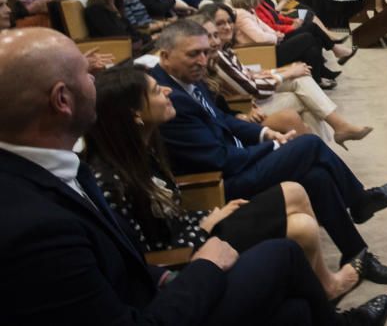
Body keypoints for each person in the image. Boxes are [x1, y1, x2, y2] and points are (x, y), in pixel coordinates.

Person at [0, 27, 387, 325]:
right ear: (62, 100)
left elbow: (129, 256)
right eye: (87, 74)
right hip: (183, 256)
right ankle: (355, 219)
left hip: (176, 255)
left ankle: (352, 254)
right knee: (293, 221)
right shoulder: (36, 223)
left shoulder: (68, 168)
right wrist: (201, 260)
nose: (97, 81)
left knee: (294, 305)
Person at [151, 20, 387, 285]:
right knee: (308, 145)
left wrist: (265, 134)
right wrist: (272, 147)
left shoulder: (188, 78)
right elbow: (219, 159)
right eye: (193, 53)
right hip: (218, 184)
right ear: (166, 55)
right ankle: (359, 200)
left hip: (237, 158)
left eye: (205, 52)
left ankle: (357, 255)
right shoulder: (169, 98)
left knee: (317, 175)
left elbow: (224, 120)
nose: (203, 60)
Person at [84, 66, 360, 302]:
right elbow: (147, 258)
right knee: (302, 215)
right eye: (157, 91)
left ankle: (325, 286)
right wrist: (203, 226)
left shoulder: (144, 148)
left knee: (301, 189)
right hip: (189, 253)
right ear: (135, 114)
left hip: (197, 226)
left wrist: (206, 216)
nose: (167, 92)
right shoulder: (110, 180)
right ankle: (327, 283)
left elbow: (171, 210)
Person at [204, 2, 372, 149]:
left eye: (228, 22)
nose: (227, 27)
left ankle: (326, 142)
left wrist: (281, 71)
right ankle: (325, 144)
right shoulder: (216, 55)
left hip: (252, 91)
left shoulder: (225, 50)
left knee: (303, 75)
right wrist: (286, 73)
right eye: (220, 24)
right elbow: (251, 88)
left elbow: (249, 75)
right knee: (305, 95)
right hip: (246, 106)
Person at [230, 0, 341, 88]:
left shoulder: (249, 10)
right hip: (263, 53)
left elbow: (266, 28)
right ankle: (326, 63)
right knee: (308, 37)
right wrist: (276, 36)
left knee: (311, 39)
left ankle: (318, 77)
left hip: (270, 46)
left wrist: (277, 34)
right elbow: (260, 38)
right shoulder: (242, 15)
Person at [84, 0, 152, 53]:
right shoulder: (95, 10)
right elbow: (120, 38)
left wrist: (151, 38)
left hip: (133, 49)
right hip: (117, 55)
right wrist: (146, 39)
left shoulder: (116, 6)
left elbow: (133, 33)